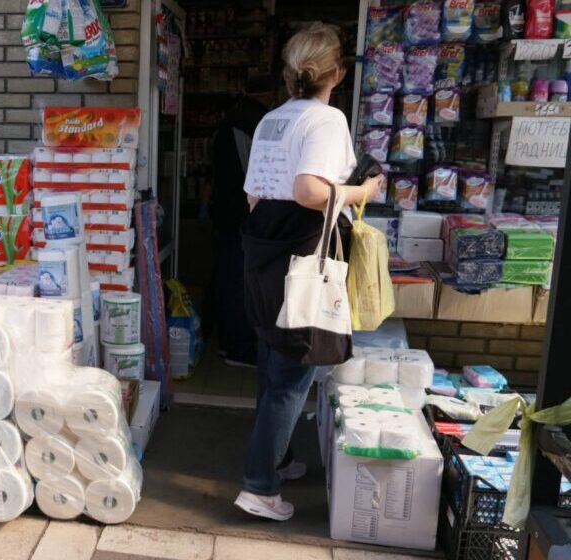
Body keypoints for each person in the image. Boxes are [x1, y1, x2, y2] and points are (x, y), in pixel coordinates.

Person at [234, 23, 384, 521]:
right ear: (335, 73)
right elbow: (307, 191)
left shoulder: (272, 119)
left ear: (288, 74)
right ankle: (258, 486)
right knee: (294, 371)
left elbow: (255, 193)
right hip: (301, 245)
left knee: (275, 355)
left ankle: (279, 459)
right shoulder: (327, 120)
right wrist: (360, 194)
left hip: (263, 241)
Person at [205, 94, 268, 367]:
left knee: (225, 276)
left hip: (225, 215)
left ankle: (224, 341)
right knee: (239, 283)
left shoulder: (224, 127)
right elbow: (254, 177)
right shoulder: (251, 126)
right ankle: (238, 348)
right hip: (243, 219)